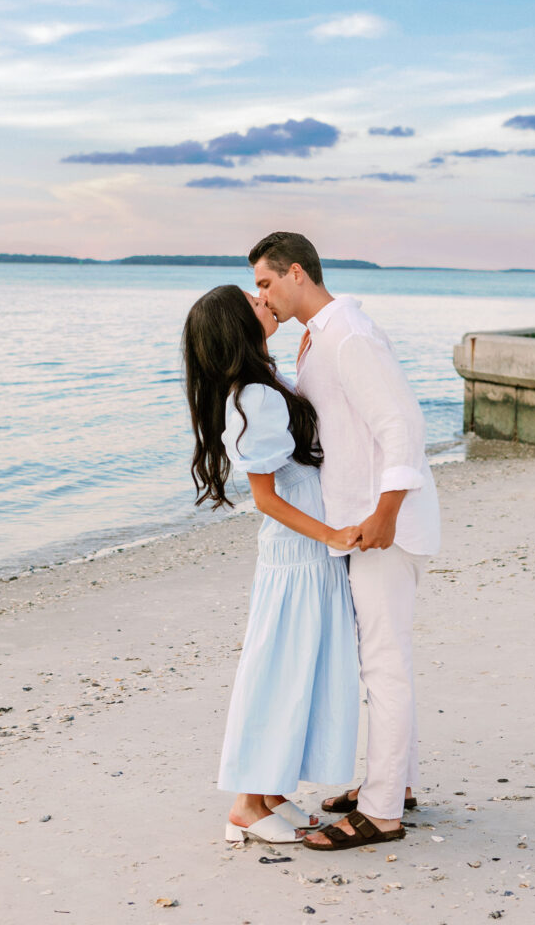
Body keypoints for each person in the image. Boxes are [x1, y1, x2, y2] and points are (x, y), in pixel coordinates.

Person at [249, 231, 441, 851]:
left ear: (297, 273)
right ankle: (397, 784)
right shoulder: (317, 338)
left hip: (381, 527)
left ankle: (383, 811)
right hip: (359, 527)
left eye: (266, 283)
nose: (263, 296)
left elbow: (402, 423)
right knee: (382, 660)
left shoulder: (349, 334)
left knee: (383, 665)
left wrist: (386, 512)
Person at [182, 284, 360, 844]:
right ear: (240, 327)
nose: (268, 303)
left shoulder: (263, 383)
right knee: (280, 674)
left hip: (303, 554)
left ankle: (271, 794)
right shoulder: (256, 396)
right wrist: (332, 533)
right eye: (255, 303)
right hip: (298, 555)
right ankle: (245, 804)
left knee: (299, 669)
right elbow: (266, 497)